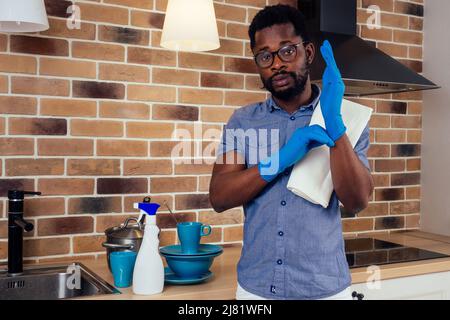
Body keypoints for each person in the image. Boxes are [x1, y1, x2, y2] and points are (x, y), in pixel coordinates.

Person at [209, 5, 374, 300]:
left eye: (287, 51)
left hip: (324, 290)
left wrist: (335, 128)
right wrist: (281, 159)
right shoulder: (243, 121)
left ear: (308, 53)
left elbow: (356, 200)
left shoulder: (346, 117)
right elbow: (220, 196)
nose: (276, 64)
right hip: (256, 290)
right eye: (265, 55)